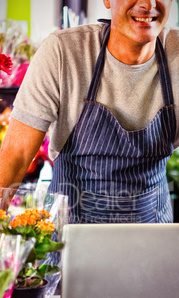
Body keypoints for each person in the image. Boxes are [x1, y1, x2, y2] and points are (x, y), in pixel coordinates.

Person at [0, 0, 179, 225]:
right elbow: (16, 154)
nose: (148, 3)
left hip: (152, 237)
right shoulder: (63, 52)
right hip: (69, 239)